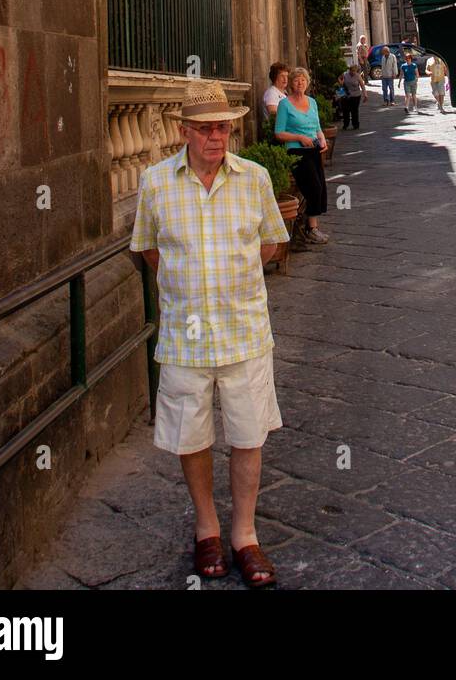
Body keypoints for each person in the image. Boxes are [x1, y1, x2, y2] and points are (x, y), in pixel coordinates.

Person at [130, 80, 289, 589]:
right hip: (184, 336)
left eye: (222, 126)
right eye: (204, 129)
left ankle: (245, 533)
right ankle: (207, 527)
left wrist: (228, 283)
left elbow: (269, 245)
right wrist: (191, 287)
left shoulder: (256, 179)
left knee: (247, 434)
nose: (215, 137)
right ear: (185, 132)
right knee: (190, 435)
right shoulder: (155, 183)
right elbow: (150, 253)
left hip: (243, 330)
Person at [275, 67, 329, 245]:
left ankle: (312, 227)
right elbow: (279, 133)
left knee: (320, 188)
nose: (300, 83)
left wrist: (322, 140)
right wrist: (299, 137)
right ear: (291, 83)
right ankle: (307, 227)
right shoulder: (285, 104)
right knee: (313, 187)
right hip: (296, 152)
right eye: (297, 80)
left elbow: (317, 127)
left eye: (303, 80)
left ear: (307, 83)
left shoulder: (312, 102)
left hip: (313, 150)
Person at [340, 63, 366, 129]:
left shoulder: (358, 76)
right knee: (345, 110)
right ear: (350, 70)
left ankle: (355, 125)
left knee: (354, 110)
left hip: (356, 95)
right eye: (352, 71)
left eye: (355, 71)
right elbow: (339, 78)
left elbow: (362, 85)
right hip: (346, 95)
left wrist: (365, 94)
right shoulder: (345, 74)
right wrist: (341, 83)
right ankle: (346, 124)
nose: (353, 72)